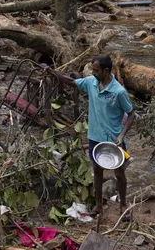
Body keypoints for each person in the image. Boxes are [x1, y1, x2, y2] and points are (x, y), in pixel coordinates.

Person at [49, 55, 135, 218]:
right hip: (94, 136)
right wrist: (54, 73)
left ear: (106, 71)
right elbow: (72, 82)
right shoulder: (91, 83)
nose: (93, 73)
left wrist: (122, 134)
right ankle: (99, 206)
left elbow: (131, 114)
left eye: (96, 70)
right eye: (93, 70)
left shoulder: (118, 92)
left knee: (119, 173)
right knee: (97, 170)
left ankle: (123, 205)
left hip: (113, 140)